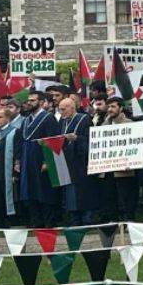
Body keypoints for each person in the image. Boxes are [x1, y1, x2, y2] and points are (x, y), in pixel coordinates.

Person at [20, 92, 62, 227]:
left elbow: (54, 139)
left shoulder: (48, 118)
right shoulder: (26, 120)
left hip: (41, 159)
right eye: (29, 100)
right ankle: (35, 221)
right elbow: (21, 140)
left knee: (44, 191)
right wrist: (18, 161)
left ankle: (48, 221)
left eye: (33, 100)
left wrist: (47, 161)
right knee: (30, 191)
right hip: (28, 159)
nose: (29, 103)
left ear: (42, 102)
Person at [57, 96, 96, 225]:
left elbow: (91, 140)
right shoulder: (62, 122)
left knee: (84, 192)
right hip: (67, 163)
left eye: (63, 109)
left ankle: (87, 219)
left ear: (72, 108)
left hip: (81, 163)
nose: (61, 112)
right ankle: (74, 219)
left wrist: (77, 139)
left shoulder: (84, 119)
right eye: (60, 110)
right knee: (70, 193)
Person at [0, 107, 21, 227]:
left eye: (0, 117)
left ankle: (11, 222)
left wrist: (15, 172)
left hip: (6, 172)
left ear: (7, 118)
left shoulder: (14, 132)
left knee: (8, 197)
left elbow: (18, 154)